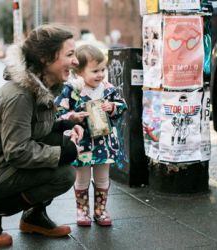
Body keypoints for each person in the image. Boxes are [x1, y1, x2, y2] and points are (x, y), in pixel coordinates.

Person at [0, 24, 83, 247]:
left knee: (58, 146)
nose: (76, 61)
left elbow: (33, 131)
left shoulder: (43, 86)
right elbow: (18, 151)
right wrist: (62, 153)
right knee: (64, 175)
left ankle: (34, 218)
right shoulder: (20, 96)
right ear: (45, 58)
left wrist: (63, 125)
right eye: (69, 54)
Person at [54, 44, 127, 227]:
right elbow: (58, 111)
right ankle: (83, 211)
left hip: (104, 142)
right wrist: (71, 117)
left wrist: (112, 108)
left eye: (103, 69)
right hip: (82, 143)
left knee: (102, 177)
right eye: (95, 71)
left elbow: (122, 106)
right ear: (78, 72)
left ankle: (100, 210)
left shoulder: (108, 89)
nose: (100, 74)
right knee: (82, 178)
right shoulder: (72, 90)